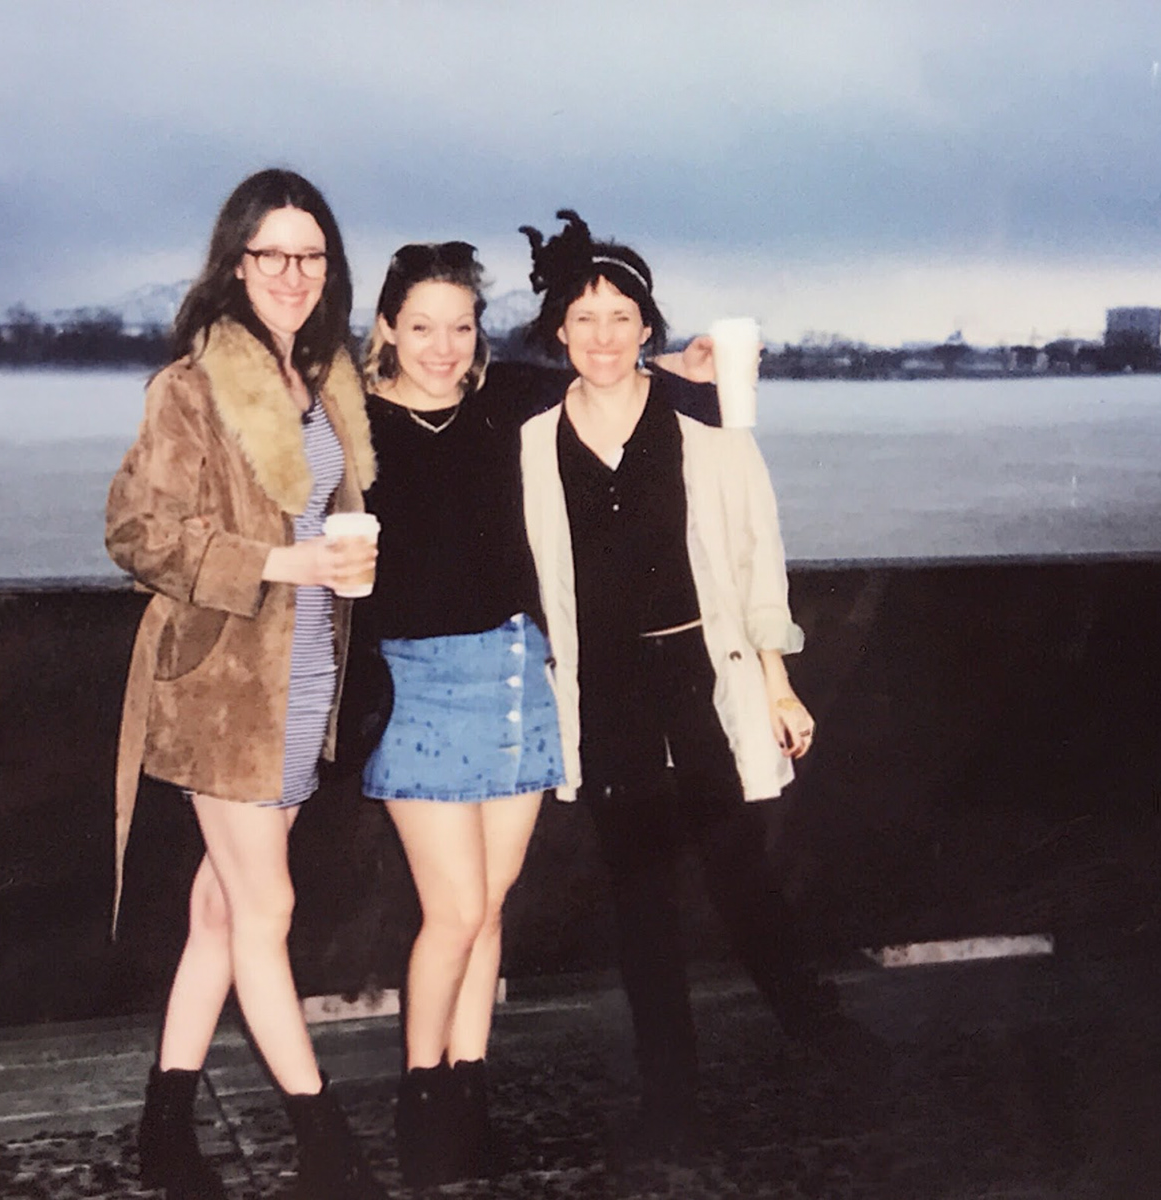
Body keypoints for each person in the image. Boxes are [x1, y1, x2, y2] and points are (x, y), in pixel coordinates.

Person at [513, 210, 886, 1164]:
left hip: (698, 677)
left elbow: (758, 560)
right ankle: (669, 1097)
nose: (603, 335)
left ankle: (825, 1035)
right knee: (639, 903)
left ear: (648, 327)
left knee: (740, 875)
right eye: (584, 318)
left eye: (621, 317)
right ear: (559, 329)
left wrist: (780, 683)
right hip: (606, 694)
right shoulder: (532, 443)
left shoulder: (706, 429)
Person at [352, 240, 719, 1186]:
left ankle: (468, 1092)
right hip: (417, 685)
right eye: (422, 326)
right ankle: (420, 1101)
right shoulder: (349, 423)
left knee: (488, 907)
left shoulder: (505, 399)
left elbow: (605, 375)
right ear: (387, 328)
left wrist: (686, 369)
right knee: (453, 909)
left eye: (460, 327)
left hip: (517, 670)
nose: (443, 347)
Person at [104, 168, 386, 1200]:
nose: (294, 274)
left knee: (223, 911)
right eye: (273, 254)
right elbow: (137, 532)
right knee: (266, 908)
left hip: (301, 683)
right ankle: (327, 1147)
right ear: (236, 263)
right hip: (223, 691)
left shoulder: (326, 380)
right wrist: (280, 562)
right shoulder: (190, 389)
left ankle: (163, 1130)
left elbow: (457, 368)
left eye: (312, 256)